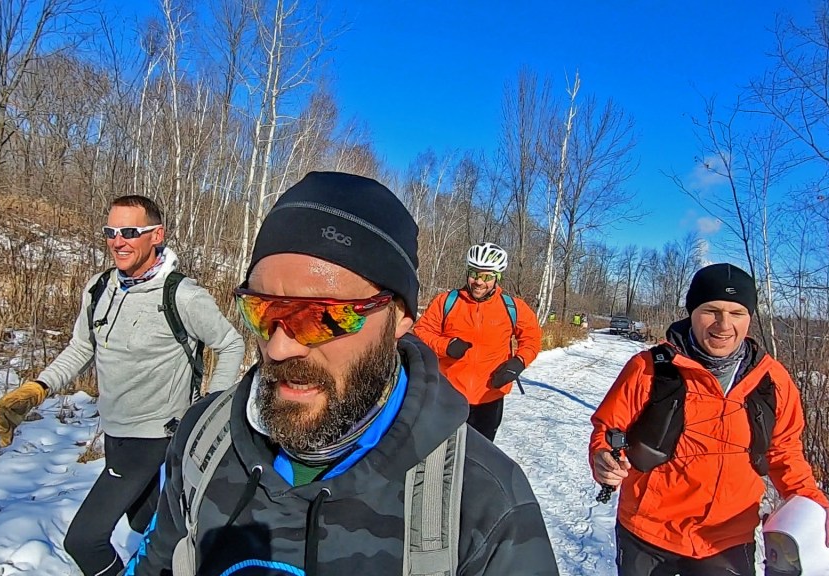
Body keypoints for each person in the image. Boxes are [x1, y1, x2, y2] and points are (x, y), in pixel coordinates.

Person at [126, 171, 558, 576]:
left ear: (399, 317)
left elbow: (529, 337)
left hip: (483, 397)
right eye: (261, 310)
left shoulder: (485, 507)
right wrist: (449, 346)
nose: (279, 347)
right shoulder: (204, 438)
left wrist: (515, 363)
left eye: (324, 317)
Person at [0, 195, 246, 576]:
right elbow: (81, 348)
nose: (118, 241)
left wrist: (207, 409)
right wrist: (37, 389)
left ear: (156, 235)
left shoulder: (181, 295)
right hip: (114, 432)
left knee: (83, 540)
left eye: (130, 232)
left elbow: (230, 343)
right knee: (149, 526)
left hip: (156, 439)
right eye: (111, 232)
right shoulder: (98, 289)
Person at [589, 263, 829, 576]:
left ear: (750, 317)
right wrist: (602, 456)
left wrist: (815, 506)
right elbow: (609, 428)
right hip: (649, 533)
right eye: (711, 310)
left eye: (737, 313)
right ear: (692, 312)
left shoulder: (772, 380)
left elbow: (785, 453)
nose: (723, 324)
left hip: (728, 539)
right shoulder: (649, 368)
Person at [412, 242, 542, 442]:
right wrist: (446, 346)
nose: (479, 282)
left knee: (479, 455)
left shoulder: (513, 307)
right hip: (449, 395)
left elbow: (532, 338)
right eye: (474, 273)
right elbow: (421, 332)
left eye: (487, 276)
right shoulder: (446, 302)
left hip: (489, 397)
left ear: (497, 278)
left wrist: (519, 362)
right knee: (442, 453)